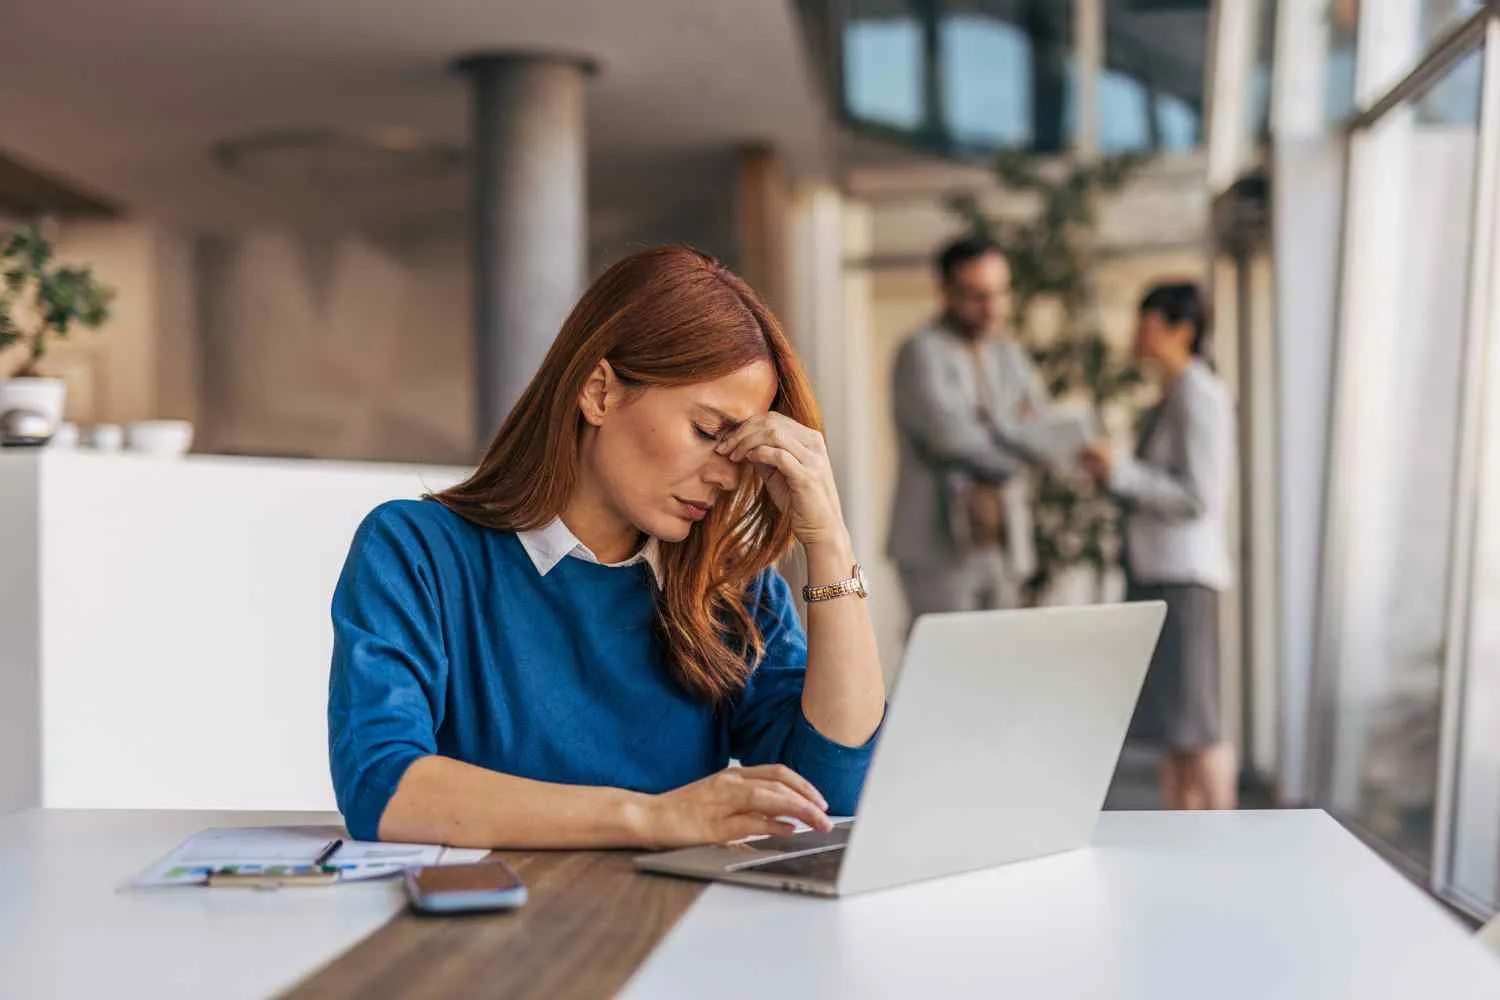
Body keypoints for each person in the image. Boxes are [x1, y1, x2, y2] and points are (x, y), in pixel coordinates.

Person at [327, 246, 886, 849]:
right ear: (598, 391)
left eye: (742, 449)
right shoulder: (417, 553)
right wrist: (649, 818)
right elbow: (382, 787)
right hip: (480, 930)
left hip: (674, 929)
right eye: (707, 431)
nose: (727, 476)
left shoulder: (732, 591)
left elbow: (834, 791)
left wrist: (828, 539)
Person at [1079, 281, 1237, 810]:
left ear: (1179, 330)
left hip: (1185, 576)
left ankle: (1222, 833)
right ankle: (1185, 829)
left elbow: (1198, 496)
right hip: (1159, 572)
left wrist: (1121, 473)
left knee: (1198, 722)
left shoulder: (1200, 394)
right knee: (1176, 725)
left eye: (1146, 322)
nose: (1136, 333)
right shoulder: (1172, 395)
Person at [888, 237, 1051, 622]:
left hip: (1003, 541)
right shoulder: (919, 352)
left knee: (1000, 663)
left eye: (999, 294)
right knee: (944, 666)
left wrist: (996, 429)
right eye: (977, 296)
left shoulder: (1010, 355)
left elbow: (1043, 430)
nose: (992, 309)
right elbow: (949, 437)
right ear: (945, 292)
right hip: (937, 544)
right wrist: (1014, 433)